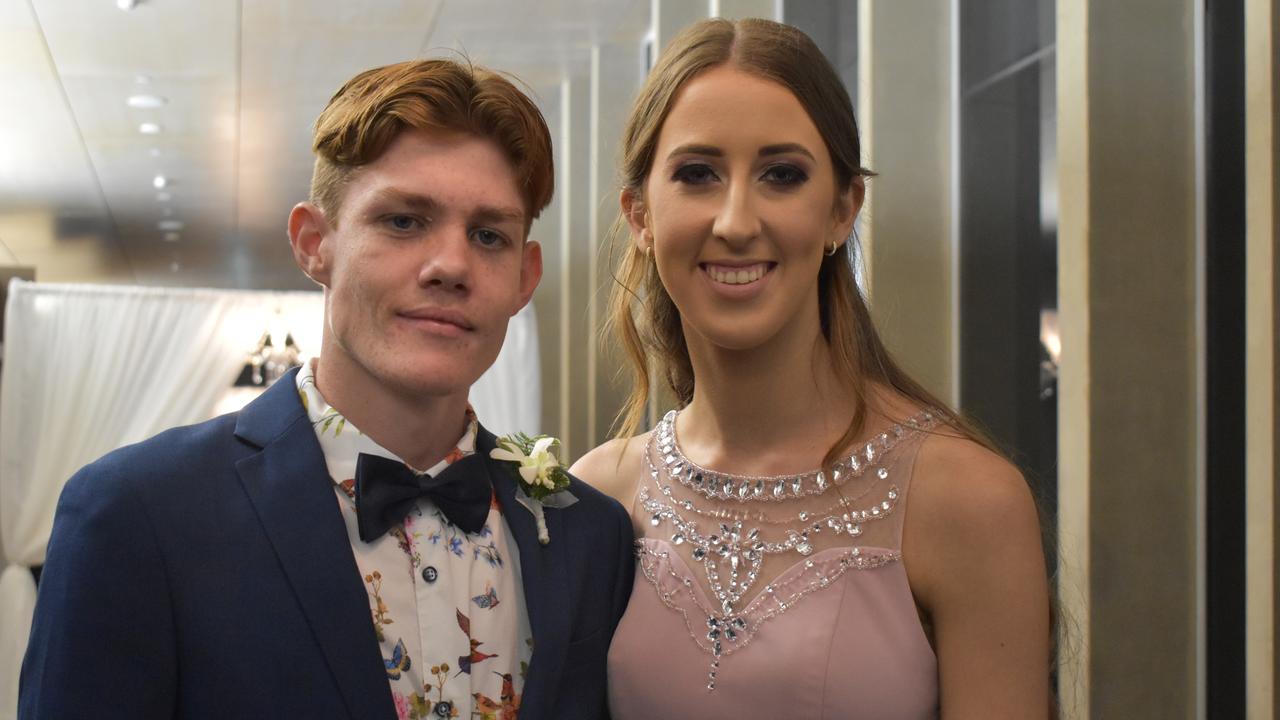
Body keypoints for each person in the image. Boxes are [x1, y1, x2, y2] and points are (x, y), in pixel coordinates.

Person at [21, 58, 633, 720]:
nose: (452, 264)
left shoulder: (588, 536)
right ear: (315, 243)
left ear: (524, 277)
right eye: (403, 220)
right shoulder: (137, 514)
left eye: (489, 235)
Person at [571, 17, 1051, 719]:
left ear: (841, 210)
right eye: (698, 174)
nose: (736, 221)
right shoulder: (599, 496)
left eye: (782, 175)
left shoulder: (966, 499)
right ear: (640, 215)